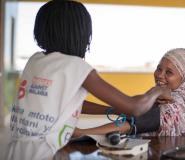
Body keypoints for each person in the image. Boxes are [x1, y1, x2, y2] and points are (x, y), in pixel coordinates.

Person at [5, 1, 171, 159]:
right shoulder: (75, 66)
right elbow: (135, 107)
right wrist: (158, 91)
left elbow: (65, 103)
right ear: (80, 34)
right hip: (42, 154)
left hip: (14, 151)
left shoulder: (36, 61)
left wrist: (113, 110)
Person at [72, 48, 185, 137]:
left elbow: (131, 124)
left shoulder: (177, 103)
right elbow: (134, 111)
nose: (160, 75)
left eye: (169, 72)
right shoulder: (168, 97)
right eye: (159, 68)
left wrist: (82, 132)